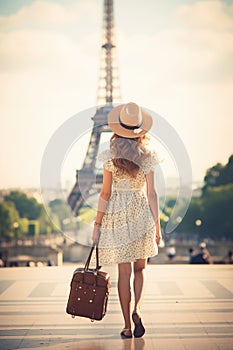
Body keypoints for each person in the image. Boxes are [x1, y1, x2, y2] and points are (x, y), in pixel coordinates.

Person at [92, 102, 162, 338]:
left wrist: (97, 225)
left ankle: (126, 326)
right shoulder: (149, 156)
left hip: (118, 216)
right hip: (141, 212)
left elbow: (105, 194)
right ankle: (138, 309)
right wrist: (158, 227)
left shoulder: (110, 157)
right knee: (141, 269)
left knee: (124, 272)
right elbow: (152, 194)